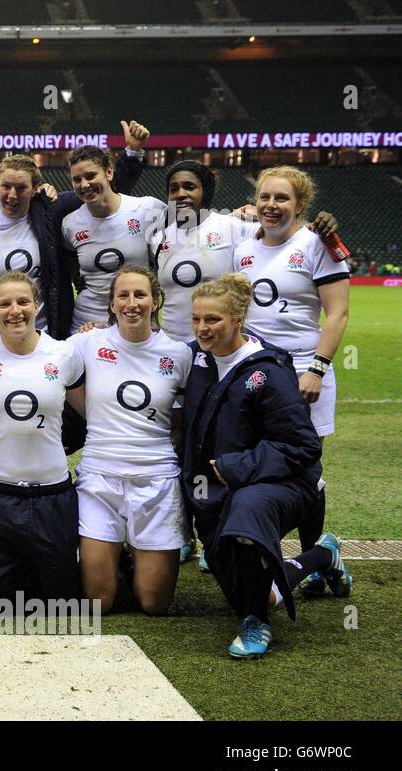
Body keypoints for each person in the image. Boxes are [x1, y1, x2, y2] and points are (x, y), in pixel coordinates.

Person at [182, 274, 351, 658]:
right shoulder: (196, 359)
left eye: (213, 320)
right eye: (196, 319)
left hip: (281, 482)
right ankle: (322, 556)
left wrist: (237, 466)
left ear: (238, 320)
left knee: (248, 511)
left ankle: (255, 623)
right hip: (220, 486)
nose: (202, 329)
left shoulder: (268, 371)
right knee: (255, 591)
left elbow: (303, 445)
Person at [233, 166, 350, 575]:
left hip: (303, 368)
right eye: (265, 197)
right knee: (261, 463)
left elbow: (337, 313)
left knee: (306, 468)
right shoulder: (244, 244)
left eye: (282, 198)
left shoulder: (318, 244)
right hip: (257, 372)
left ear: (300, 205)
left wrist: (316, 369)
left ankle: (315, 559)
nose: (271, 205)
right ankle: (271, 553)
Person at [68, 267, 192, 615]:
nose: (131, 303)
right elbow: (45, 361)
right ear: (111, 304)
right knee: (98, 603)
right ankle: (115, 555)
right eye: (123, 295)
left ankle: (137, 551)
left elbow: (179, 424)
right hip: (100, 479)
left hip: (156, 481)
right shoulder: (88, 343)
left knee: (154, 604)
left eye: (140, 295)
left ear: (155, 301)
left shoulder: (178, 355)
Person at [0, 272, 85, 613]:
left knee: (59, 604)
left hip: (52, 496)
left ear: (38, 305)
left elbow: (89, 412)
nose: (14, 311)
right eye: (4, 304)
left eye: (22, 302)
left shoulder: (64, 354)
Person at [0, 122, 149, 339]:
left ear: (36, 189)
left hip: (50, 334)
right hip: (0, 336)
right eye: (6, 186)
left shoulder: (51, 209)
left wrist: (132, 152)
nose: (12, 195)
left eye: (21, 187)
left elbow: (102, 189)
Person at [144, 160, 338, 343]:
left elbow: (285, 231)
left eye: (189, 187)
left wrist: (318, 226)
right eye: (174, 188)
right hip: (171, 346)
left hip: (219, 348)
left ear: (205, 191)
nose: (180, 193)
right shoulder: (158, 238)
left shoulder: (235, 227)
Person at [61, 145, 167, 328]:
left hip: (135, 319)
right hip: (87, 324)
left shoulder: (146, 208)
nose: (84, 184)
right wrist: (77, 277)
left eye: (91, 176)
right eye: (77, 179)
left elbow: (190, 228)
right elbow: (69, 258)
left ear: (109, 173)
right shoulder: (70, 224)